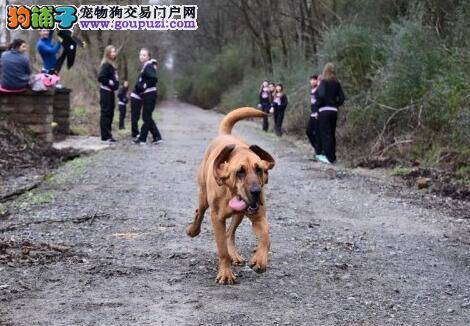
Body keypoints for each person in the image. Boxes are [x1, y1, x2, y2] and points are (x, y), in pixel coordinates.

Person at [315, 63, 345, 164]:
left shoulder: (323, 81)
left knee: (326, 134)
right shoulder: (337, 82)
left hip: (324, 111)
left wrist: (319, 105)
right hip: (334, 111)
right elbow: (342, 98)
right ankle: (333, 157)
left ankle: (328, 157)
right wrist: (335, 104)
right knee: (332, 133)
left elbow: (321, 95)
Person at [132, 48, 163, 144]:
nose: (141, 56)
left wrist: (145, 85)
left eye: (144, 55)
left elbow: (154, 78)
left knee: (146, 116)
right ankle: (156, 137)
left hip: (150, 94)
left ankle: (143, 138)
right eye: (140, 55)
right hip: (147, 94)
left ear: (148, 57)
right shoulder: (146, 66)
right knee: (147, 116)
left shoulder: (148, 66)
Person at [97, 45, 119, 142]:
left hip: (110, 92)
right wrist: (110, 82)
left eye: (114, 51)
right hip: (105, 92)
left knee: (110, 113)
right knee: (106, 113)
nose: (114, 53)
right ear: (107, 53)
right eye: (112, 52)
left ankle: (108, 134)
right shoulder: (106, 64)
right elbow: (101, 77)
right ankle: (105, 136)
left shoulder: (112, 65)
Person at [306, 74, 323, 157]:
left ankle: (319, 151)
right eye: (311, 80)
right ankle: (317, 148)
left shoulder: (319, 89)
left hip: (318, 114)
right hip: (312, 114)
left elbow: (320, 102)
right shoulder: (312, 90)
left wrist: (318, 112)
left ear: (317, 81)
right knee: (308, 131)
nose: (312, 81)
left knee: (318, 133)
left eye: (314, 79)